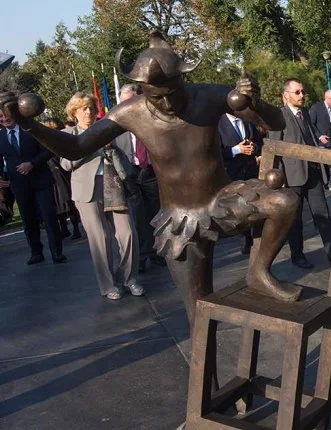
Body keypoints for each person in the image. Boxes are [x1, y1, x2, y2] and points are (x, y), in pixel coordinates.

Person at [0, 29, 300, 334]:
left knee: (284, 202)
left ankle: (259, 273)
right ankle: (209, 383)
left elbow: (275, 123)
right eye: (156, 96)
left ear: (182, 79)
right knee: (200, 320)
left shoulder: (210, 95)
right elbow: (76, 147)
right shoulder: (130, 113)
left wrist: (255, 103)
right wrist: (29, 125)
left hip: (223, 200)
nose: (168, 103)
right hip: (179, 222)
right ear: (142, 89)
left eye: (173, 92)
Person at [60, 91, 143, 300]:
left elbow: (122, 154)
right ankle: (108, 285)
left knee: (128, 234)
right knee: (101, 238)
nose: (88, 111)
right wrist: (87, 147)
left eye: (91, 108)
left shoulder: (105, 129)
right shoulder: (68, 134)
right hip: (86, 191)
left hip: (113, 185)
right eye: (83, 108)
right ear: (74, 112)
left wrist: (112, 149)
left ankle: (129, 278)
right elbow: (65, 164)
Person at [268, 78, 331, 269]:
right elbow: (275, 149)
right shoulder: (279, 116)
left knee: (322, 213)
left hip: (312, 173)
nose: (302, 95)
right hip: (292, 177)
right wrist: (279, 180)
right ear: (286, 95)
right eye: (297, 92)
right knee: (294, 219)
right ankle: (297, 255)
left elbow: (311, 137)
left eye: (302, 91)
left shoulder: (305, 113)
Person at [0, 108, 65, 264]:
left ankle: (57, 252)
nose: (4, 119)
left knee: (49, 217)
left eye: (5, 114)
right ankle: (36, 253)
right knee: (28, 220)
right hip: (19, 185)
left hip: (41, 180)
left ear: (13, 113)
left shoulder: (31, 130)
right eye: (0, 117)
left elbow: (49, 150)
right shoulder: (1, 136)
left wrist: (32, 164)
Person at [113, 83, 166, 273]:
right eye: (122, 103)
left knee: (156, 214)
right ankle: (142, 256)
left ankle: (157, 252)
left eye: (129, 102)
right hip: (131, 174)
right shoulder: (117, 125)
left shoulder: (151, 119)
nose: (125, 107)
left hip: (152, 173)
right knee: (138, 217)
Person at [217, 112, 262, 255]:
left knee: (256, 203)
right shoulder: (218, 124)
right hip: (233, 172)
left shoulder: (247, 120)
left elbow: (259, 142)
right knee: (240, 207)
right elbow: (216, 152)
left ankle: (258, 237)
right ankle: (245, 239)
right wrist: (237, 150)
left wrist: (254, 148)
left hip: (251, 170)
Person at [42, 118, 82, 240]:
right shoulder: (45, 141)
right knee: (58, 203)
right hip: (52, 174)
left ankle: (75, 228)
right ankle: (64, 229)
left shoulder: (60, 139)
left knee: (68, 202)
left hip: (62, 175)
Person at [309, 90, 331, 189]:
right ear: (326, 98)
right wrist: (319, 136)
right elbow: (310, 124)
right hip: (320, 142)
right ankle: (326, 184)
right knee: (324, 166)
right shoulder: (316, 108)